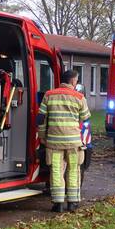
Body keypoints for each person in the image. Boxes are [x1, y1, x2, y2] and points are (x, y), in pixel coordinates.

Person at [37, 69, 91, 212]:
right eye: (77, 80)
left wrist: (42, 136)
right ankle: (72, 203)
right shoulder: (79, 97)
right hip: (73, 143)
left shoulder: (49, 95)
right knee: (73, 170)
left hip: (54, 143)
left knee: (56, 171)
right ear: (73, 81)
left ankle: (58, 204)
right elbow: (85, 118)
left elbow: (41, 118)